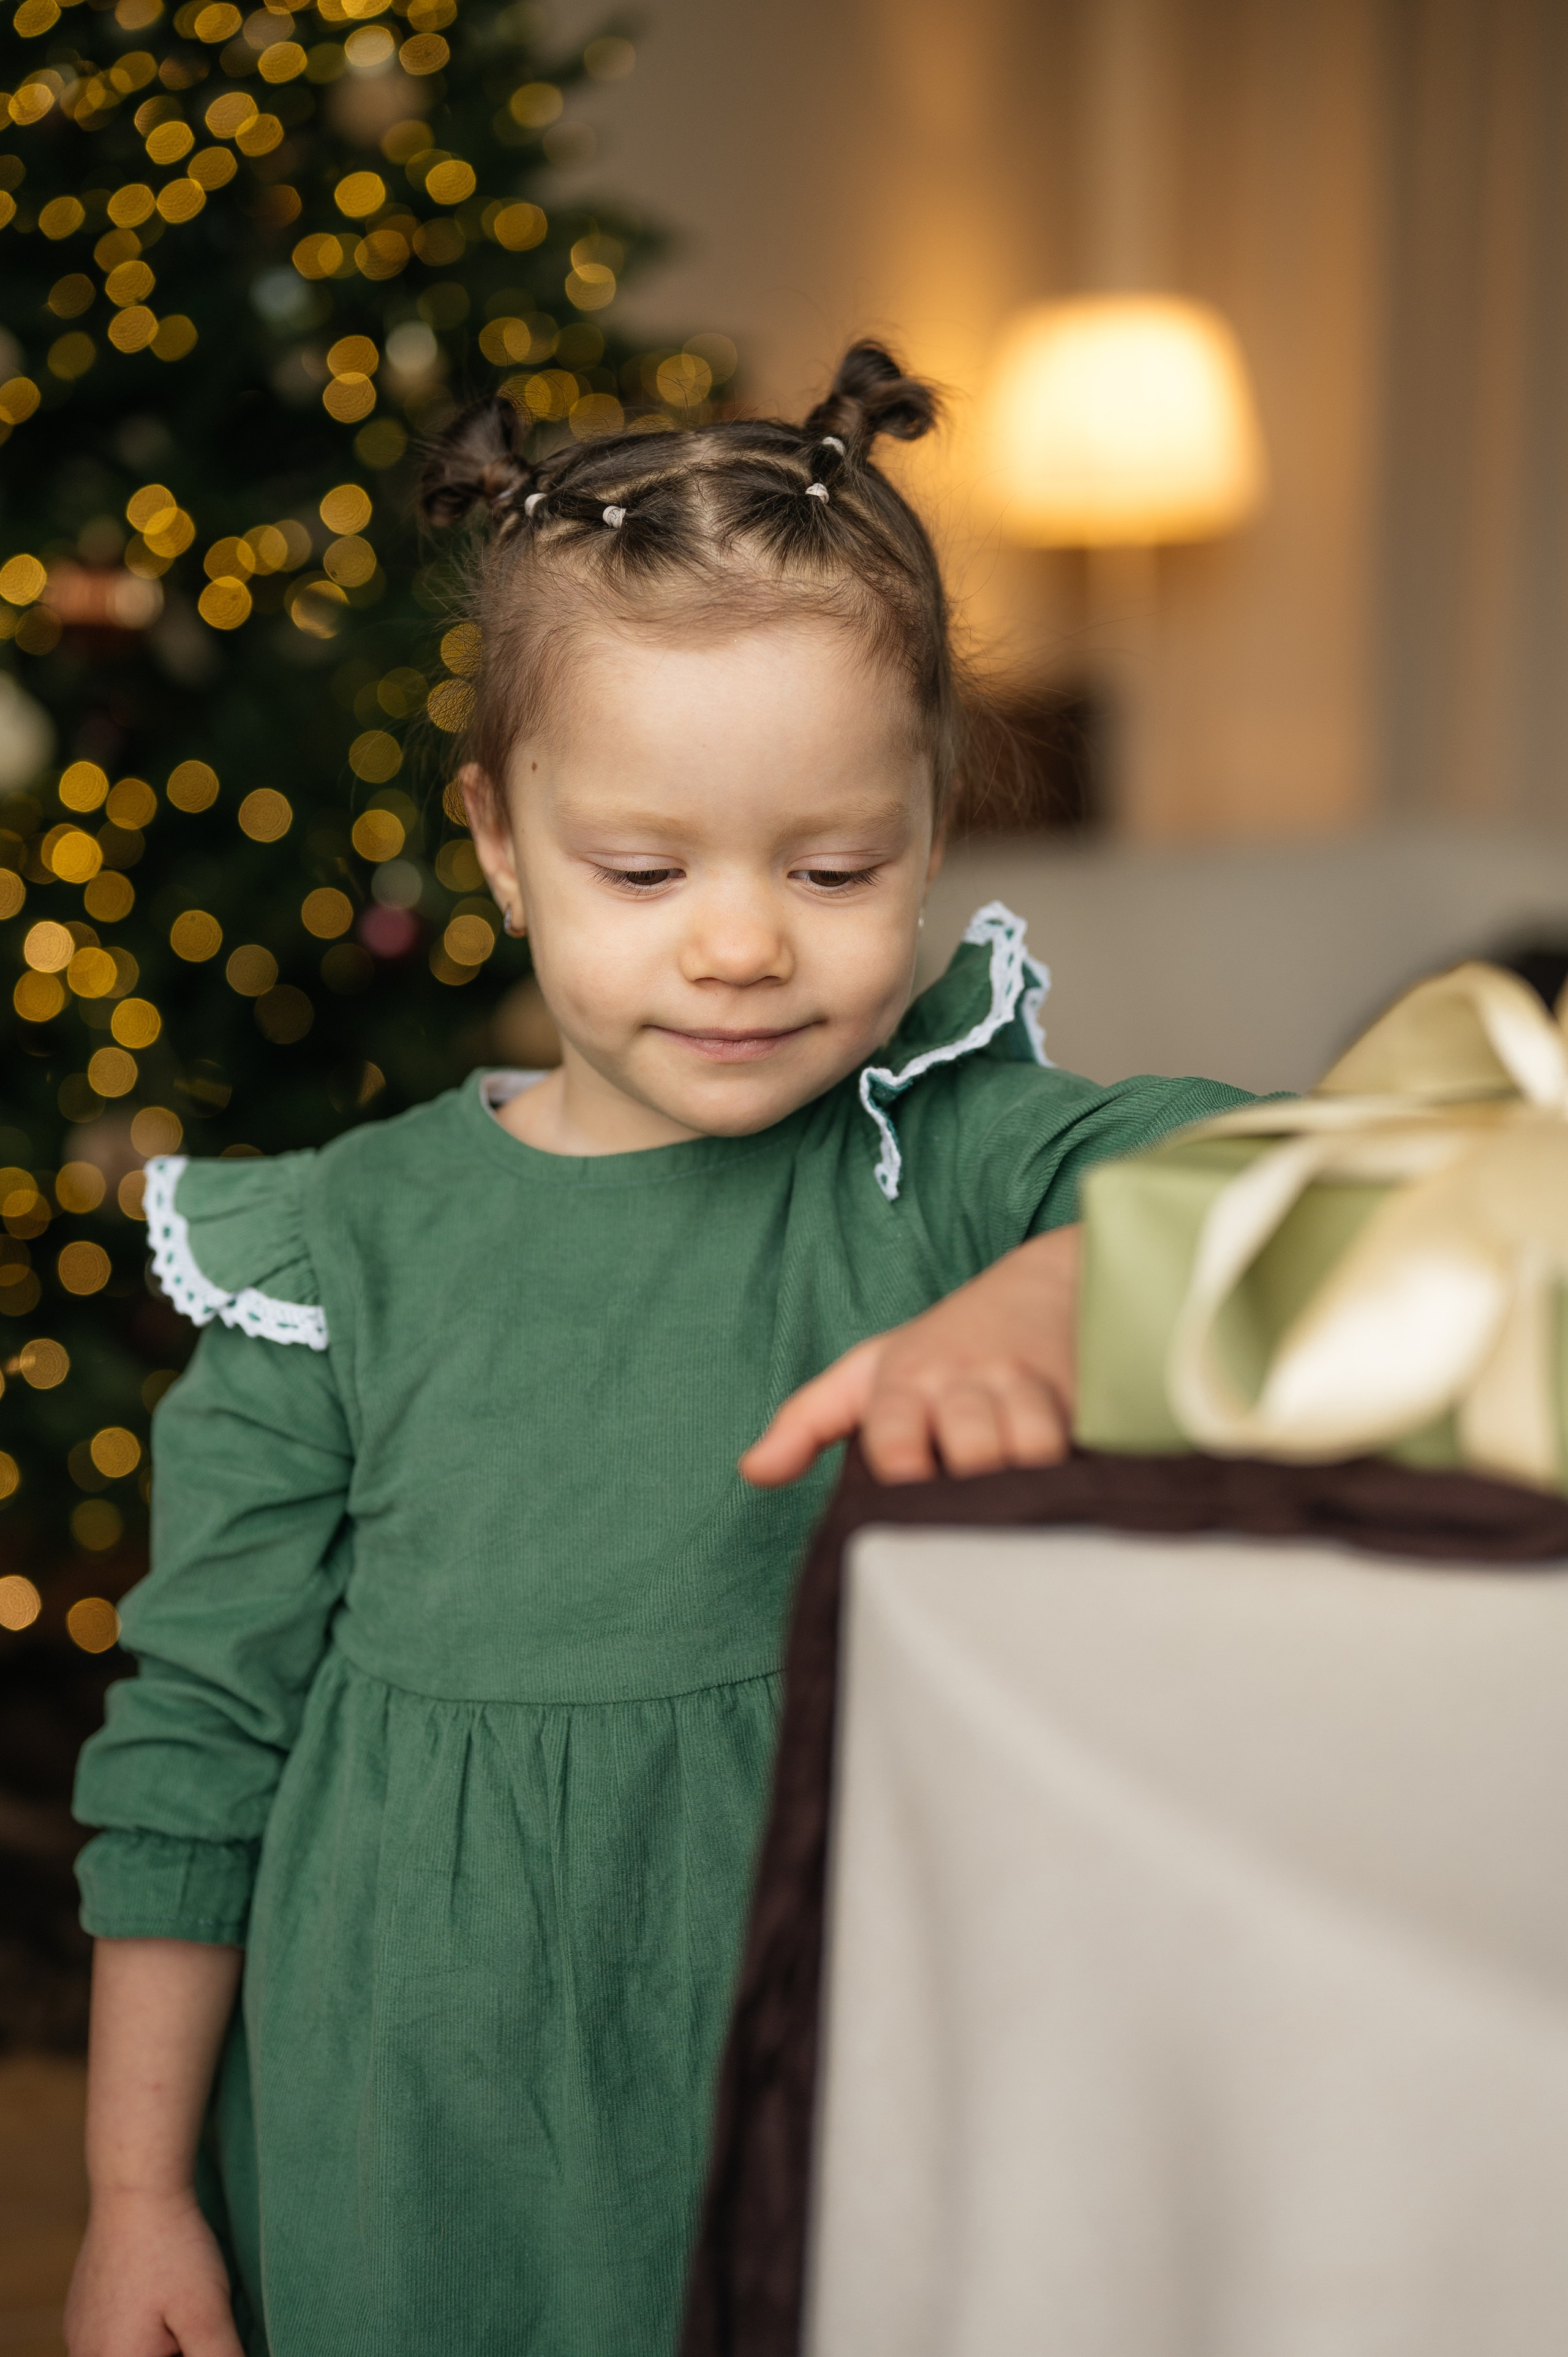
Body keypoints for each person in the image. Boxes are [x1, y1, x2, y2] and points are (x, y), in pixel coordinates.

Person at [65, 344, 1248, 2357]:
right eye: (642, 869)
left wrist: (1053, 1286)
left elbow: (1294, 1174)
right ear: (503, 842)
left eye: (831, 867)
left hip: (835, 2072)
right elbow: (195, 1752)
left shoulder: (944, 1157)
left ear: (936, 828)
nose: (736, 944)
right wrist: (133, 2195)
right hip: (398, 2127)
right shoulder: (339, 1246)